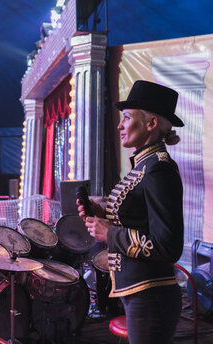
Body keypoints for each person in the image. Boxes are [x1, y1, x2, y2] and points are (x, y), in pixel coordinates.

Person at [78, 80, 184, 344]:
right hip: (138, 292)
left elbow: (168, 246)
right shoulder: (144, 165)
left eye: (126, 117)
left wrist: (110, 233)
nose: (120, 126)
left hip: (152, 294)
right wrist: (102, 214)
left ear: (151, 123)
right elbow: (139, 221)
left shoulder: (158, 170)